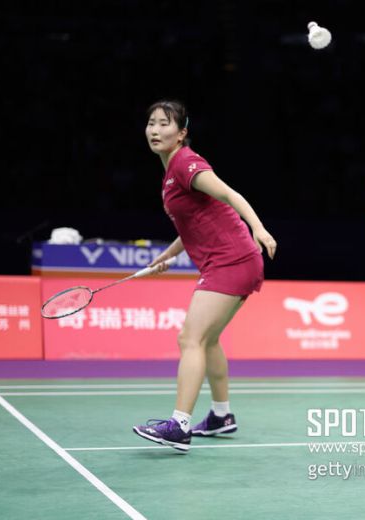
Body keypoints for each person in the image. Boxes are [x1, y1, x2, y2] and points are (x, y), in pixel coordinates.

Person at [133, 100, 276, 452]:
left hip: (232, 260)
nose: (155, 130)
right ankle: (221, 415)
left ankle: (179, 425)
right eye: (151, 123)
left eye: (164, 124)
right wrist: (168, 255)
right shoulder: (171, 173)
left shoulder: (185, 162)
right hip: (228, 261)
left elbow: (228, 194)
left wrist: (259, 228)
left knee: (190, 339)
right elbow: (194, 224)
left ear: (181, 133)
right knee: (207, 340)